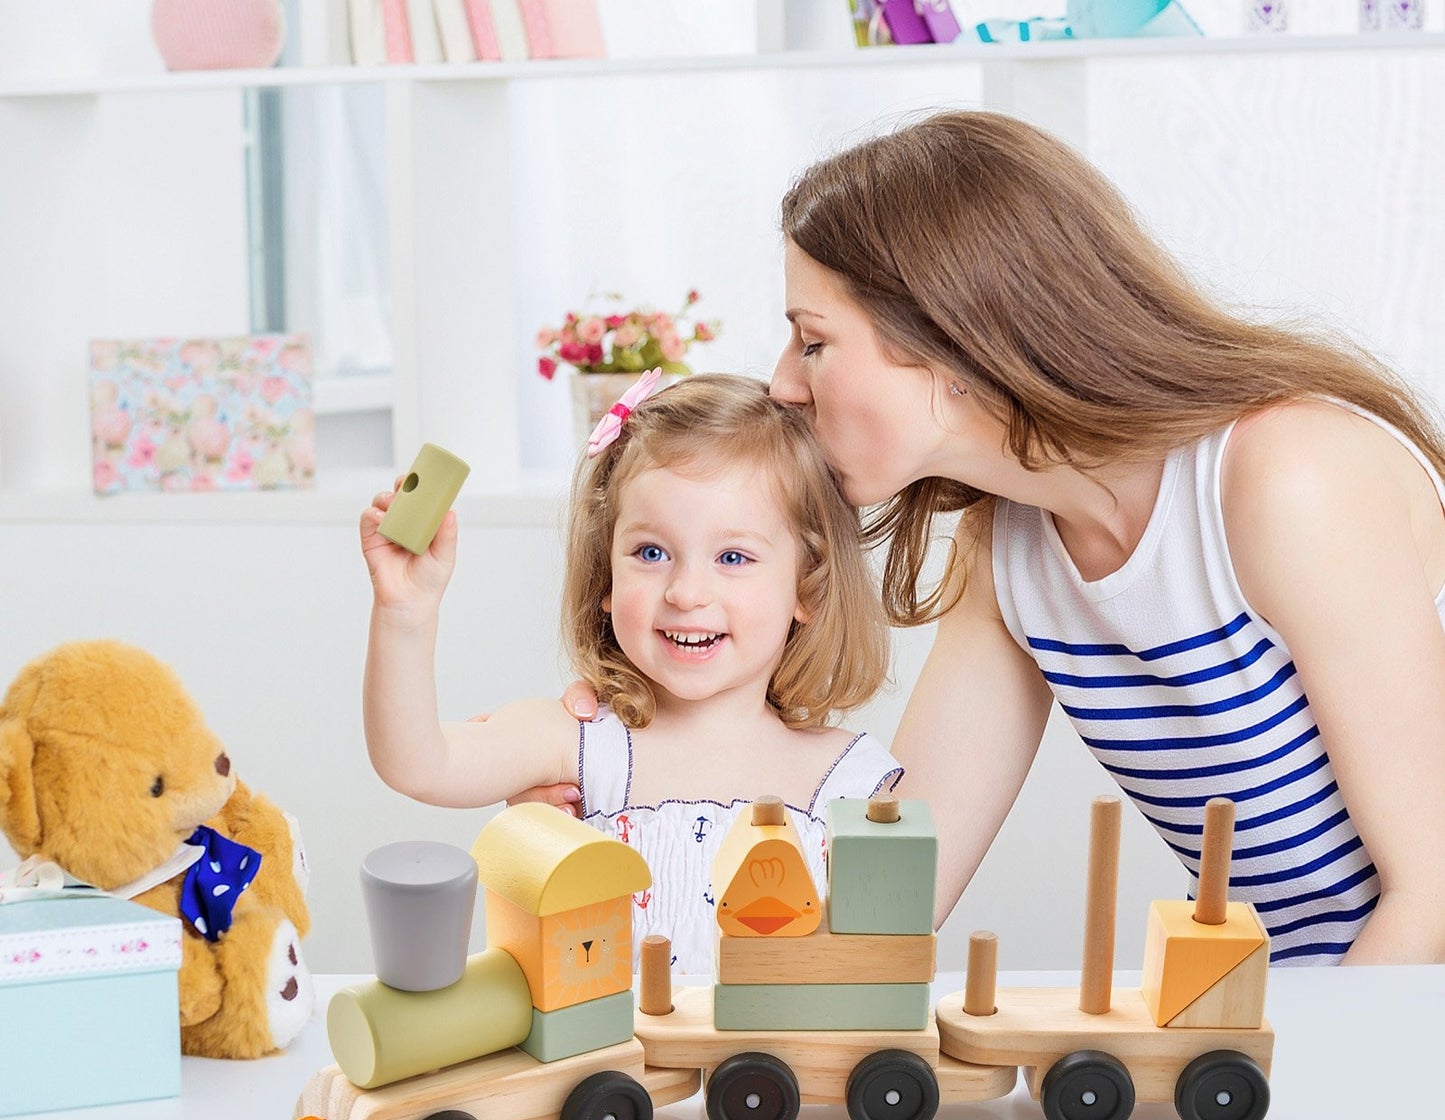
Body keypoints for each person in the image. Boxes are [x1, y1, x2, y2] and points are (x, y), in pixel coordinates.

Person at [544, 111, 1445, 966]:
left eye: (812, 341)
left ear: (949, 343)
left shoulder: (1288, 476)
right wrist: (638, 785)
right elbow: (887, 904)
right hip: (1321, 1010)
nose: (782, 383)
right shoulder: (1009, 554)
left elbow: (1432, 893)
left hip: (1386, 1012)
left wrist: (1306, 1093)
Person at [360, 371, 901, 970]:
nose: (688, 592)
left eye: (732, 557)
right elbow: (418, 762)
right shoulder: (580, 741)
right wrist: (404, 616)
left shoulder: (851, 782)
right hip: (610, 1065)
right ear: (606, 579)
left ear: (807, 585)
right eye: (651, 553)